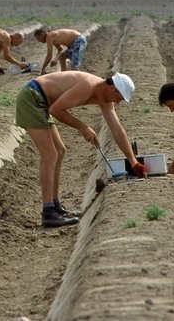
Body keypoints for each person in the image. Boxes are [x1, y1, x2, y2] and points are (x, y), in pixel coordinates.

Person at [15, 71, 146, 227]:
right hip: (33, 97)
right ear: (112, 89)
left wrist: (133, 161)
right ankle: (48, 212)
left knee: (60, 151)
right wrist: (82, 127)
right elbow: (55, 110)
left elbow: (117, 130)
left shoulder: (106, 99)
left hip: (43, 101)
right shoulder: (88, 86)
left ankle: (55, 205)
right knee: (50, 155)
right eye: (119, 98)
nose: (117, 102)